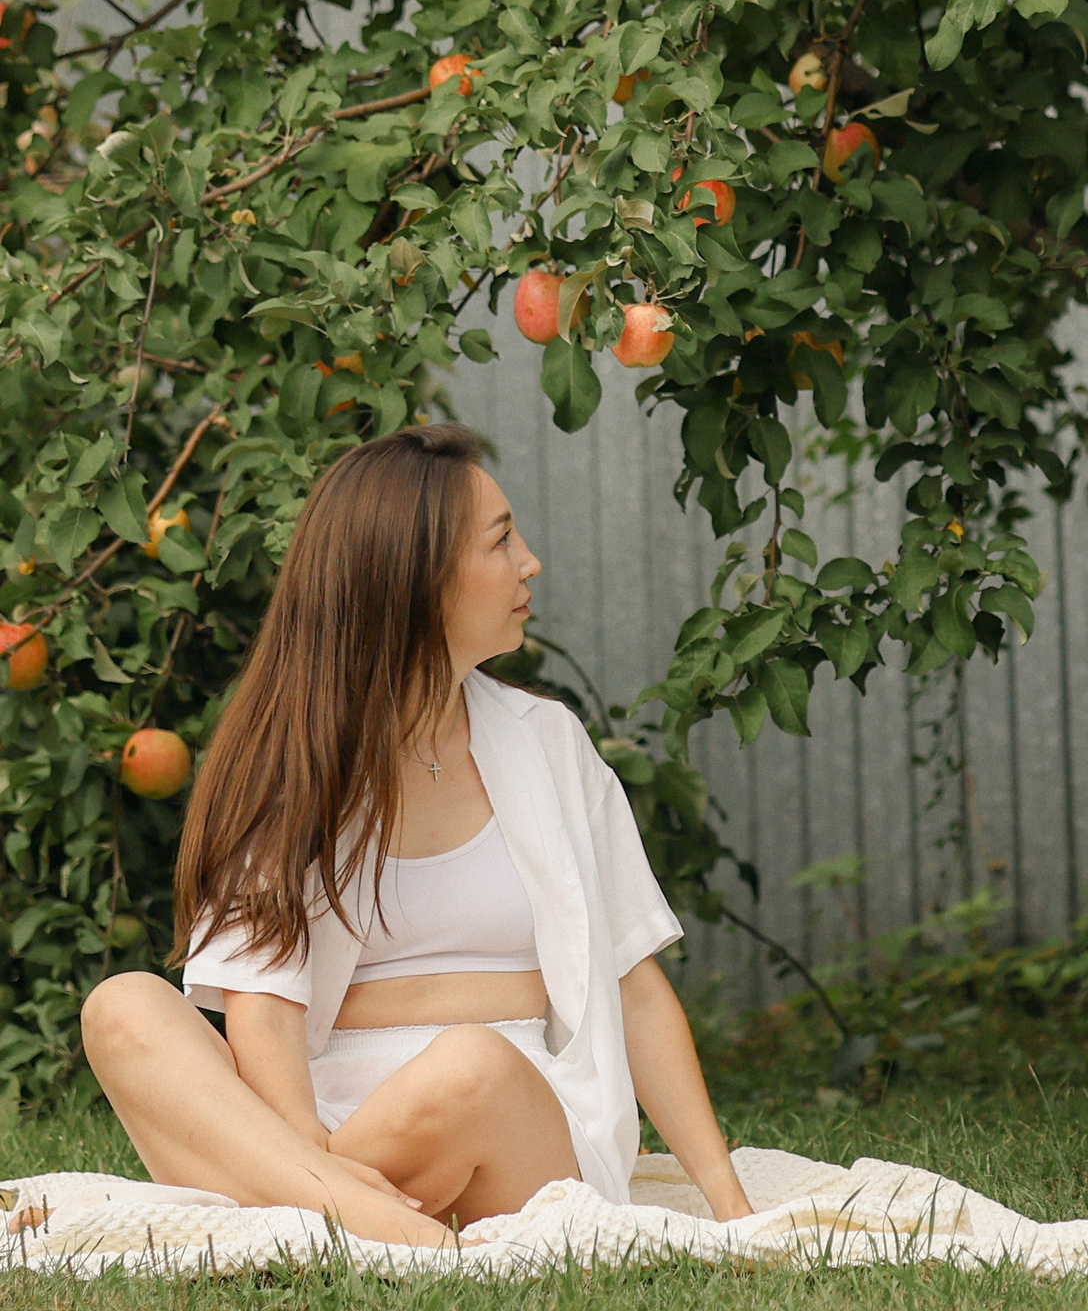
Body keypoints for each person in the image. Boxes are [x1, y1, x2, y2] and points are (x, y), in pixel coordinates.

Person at [78, 424, 755, 1247]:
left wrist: (731, 1205)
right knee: (123, 1007)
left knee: (470, 1066)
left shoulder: (549, 741)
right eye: (502, 540)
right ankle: (365, 1220)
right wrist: (310, 1155)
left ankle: (304, 1222)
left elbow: (637, 989)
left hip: (519, 1124)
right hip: (333, 1136)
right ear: (416, 578)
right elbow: (266, 1016)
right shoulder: (293, 760)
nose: (530, 562)